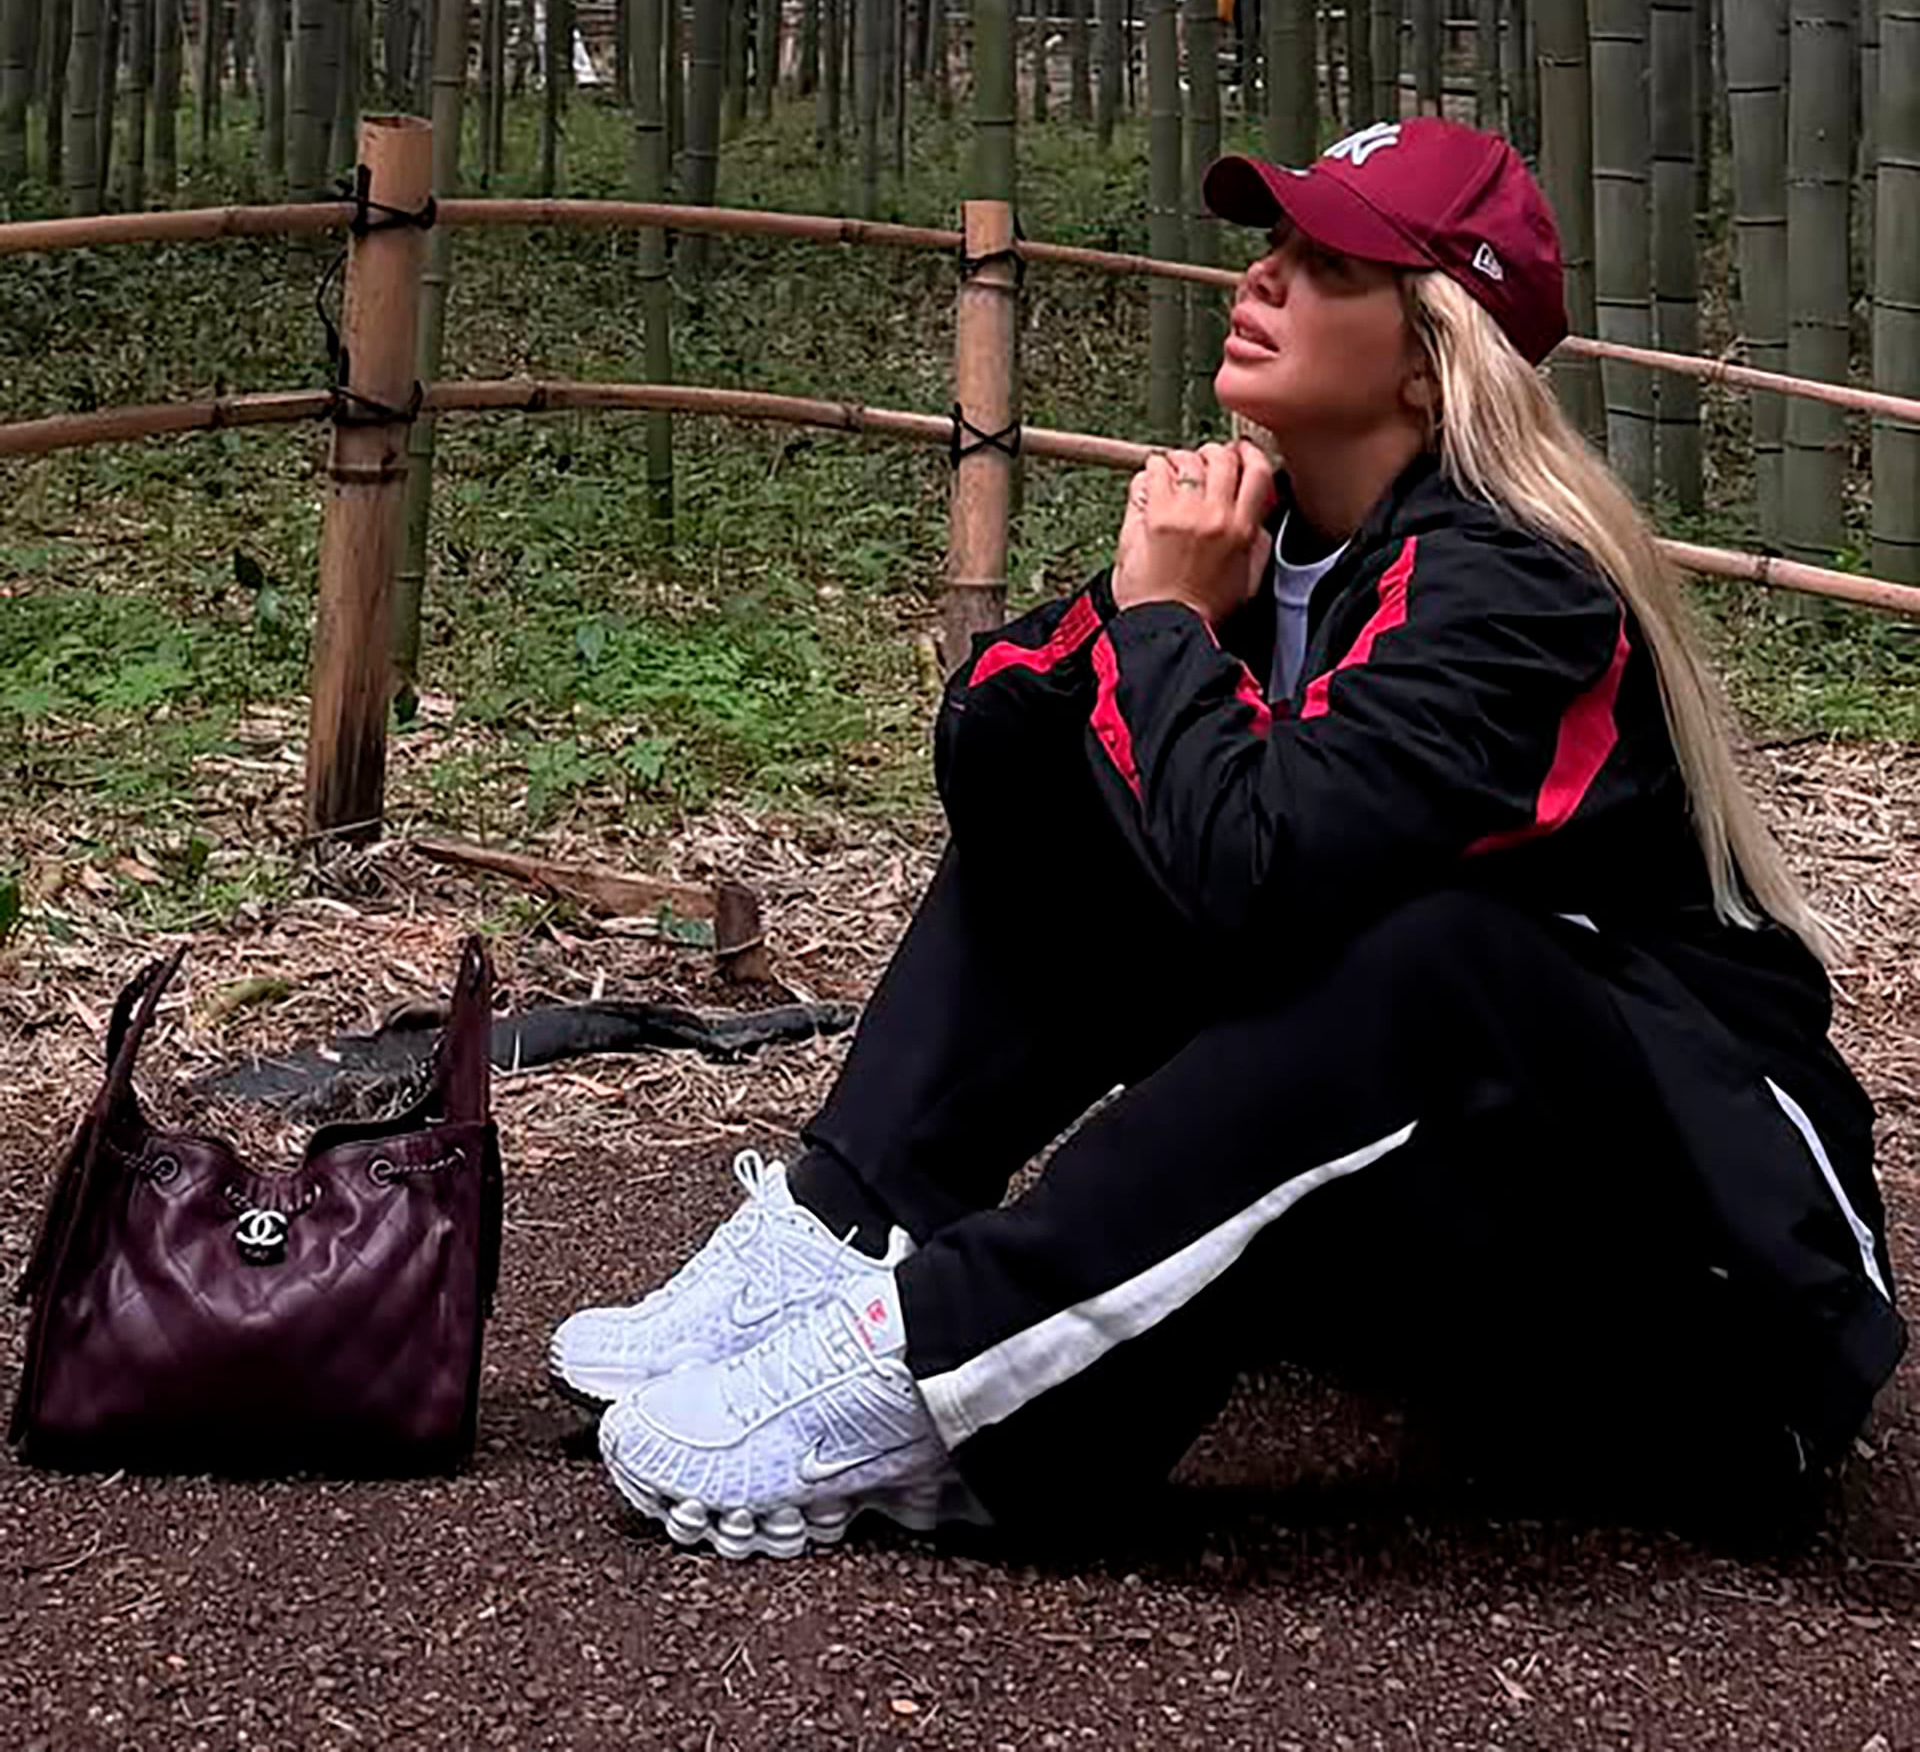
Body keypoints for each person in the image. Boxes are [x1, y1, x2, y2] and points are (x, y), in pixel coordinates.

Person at [552, 118, 1905, 1563]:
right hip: (1444, 1277)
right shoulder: (1267, 550)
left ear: (1430, 353)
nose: (1259, 279)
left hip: (1704, 1320)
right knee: (1088, 811)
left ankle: (938, 1369)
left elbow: (1260, 876)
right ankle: (843, 1229)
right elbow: (996, 774)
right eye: (1271, 246)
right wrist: (1146, 609)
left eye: (1328, 264)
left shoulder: (1520, 595)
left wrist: (1162, 628)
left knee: (1441, 951)